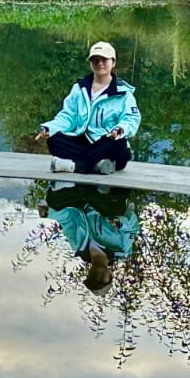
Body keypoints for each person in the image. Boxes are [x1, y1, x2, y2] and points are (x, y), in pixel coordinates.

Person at [34, 41, 140, 175]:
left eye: (104, 59)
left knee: (117, 144)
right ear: (90, 63)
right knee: (54, 140)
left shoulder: (124, 93)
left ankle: (75, 165)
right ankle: (97, 165)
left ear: (113, 62)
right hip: (83, 141)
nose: (99, 63)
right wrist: (49, 128)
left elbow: (131, 119)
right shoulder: (79, 89)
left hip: (107, 141)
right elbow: (68, 116)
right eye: (95, 60)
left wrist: (120, 130)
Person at [40, 182, 140, 293]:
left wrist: (49, 213)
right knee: (115, 209)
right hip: (108, 200)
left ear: (88, 274)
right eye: (102, 281)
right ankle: (101, 187)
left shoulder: (78, 245)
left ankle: (73, 182)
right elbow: (133, 226)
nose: (97, 277)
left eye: (92, 279)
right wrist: (120, 223)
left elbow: (68, 220)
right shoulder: (122, 248)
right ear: (110, 276)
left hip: (83, 200)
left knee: (53, 201)